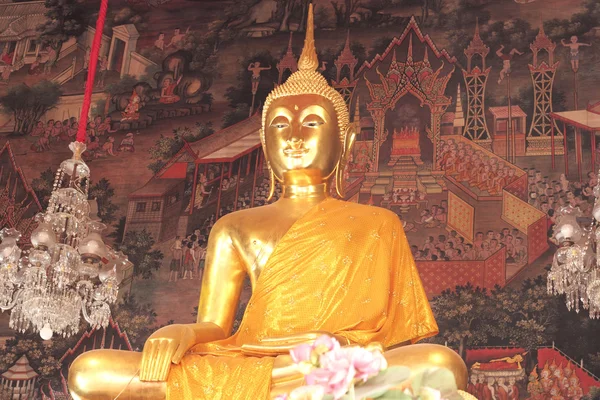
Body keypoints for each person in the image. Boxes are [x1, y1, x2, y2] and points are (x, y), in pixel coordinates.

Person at [68, 6, 467, 399]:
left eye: (311, 122)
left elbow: (390, 339)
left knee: (439, 365)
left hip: (336, 364)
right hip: (250, 359)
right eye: (279, 124)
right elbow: (215, 325)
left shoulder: (379, 222)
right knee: (89, 372)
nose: (294, 135)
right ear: (265, 145)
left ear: (345, 144)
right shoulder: (235, 226)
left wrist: (334, 351)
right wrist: (183, 331)